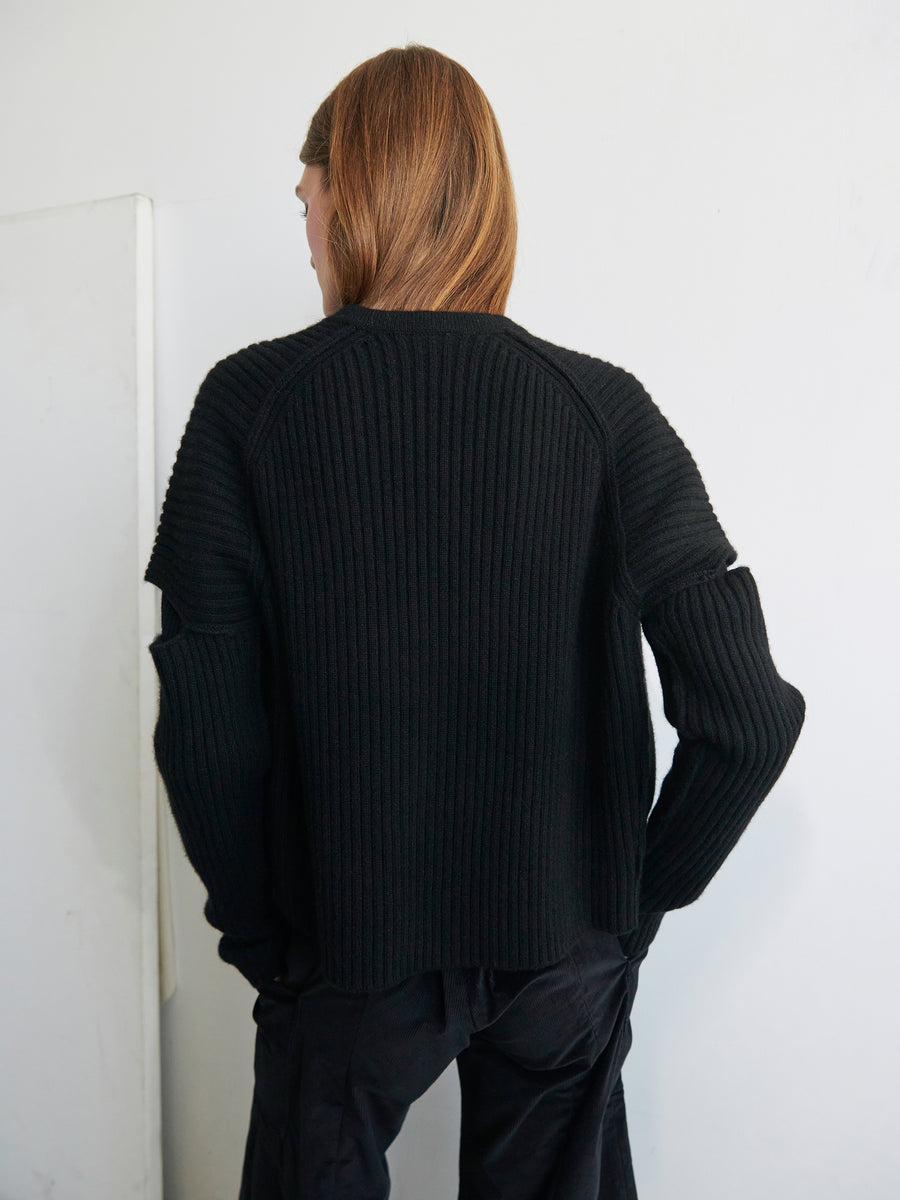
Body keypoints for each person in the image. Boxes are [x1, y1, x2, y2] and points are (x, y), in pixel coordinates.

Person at [143, 43, 805, 1200]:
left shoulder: (249, 407)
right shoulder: (605, 413)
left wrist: (268, 948)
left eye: (309, 197)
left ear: (357, 192)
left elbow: (208, 728)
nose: (304, 226)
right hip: (564, 948)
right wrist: (623, 908)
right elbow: (746, 720)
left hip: (343, 947)